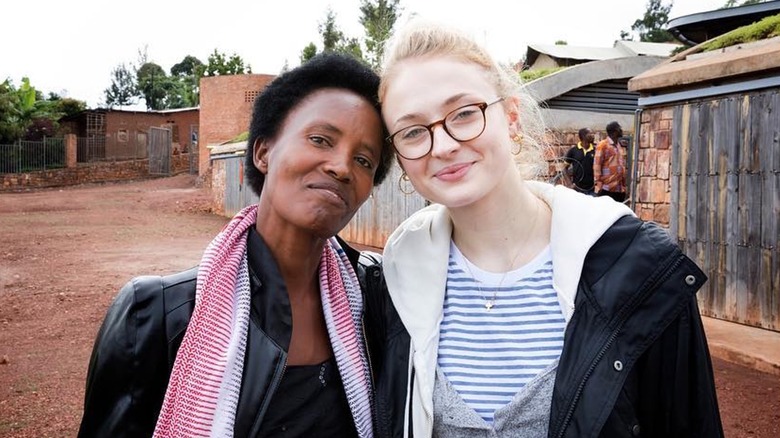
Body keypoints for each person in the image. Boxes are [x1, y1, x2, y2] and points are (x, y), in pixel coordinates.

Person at [372, 19, 723, 437]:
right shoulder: (394, 279)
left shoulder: (637, 267)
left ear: (512, 116)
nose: (444, 145)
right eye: (413, 131)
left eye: (465, 113)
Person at [77, 52, 394, 438]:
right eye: (320, 139)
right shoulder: (155, 316)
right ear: (263, 153)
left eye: (364, 160)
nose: (342, 167)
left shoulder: (376, 301)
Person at [593, 121, 627, 203]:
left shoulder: (618, 145)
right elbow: (597, 165)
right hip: (606, 188)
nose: (622, 130)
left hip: (619, 189)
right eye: (620, 129)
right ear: (615, 132)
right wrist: (599, 185)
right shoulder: (603, 145)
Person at [562, 128, 595, 195]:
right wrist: (570, 184)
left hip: (592, 189)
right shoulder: (573, 151)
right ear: (583, 136)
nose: (593, 136)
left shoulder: (596, 150)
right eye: (590, 134)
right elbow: (564, 169)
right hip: (577, 189)